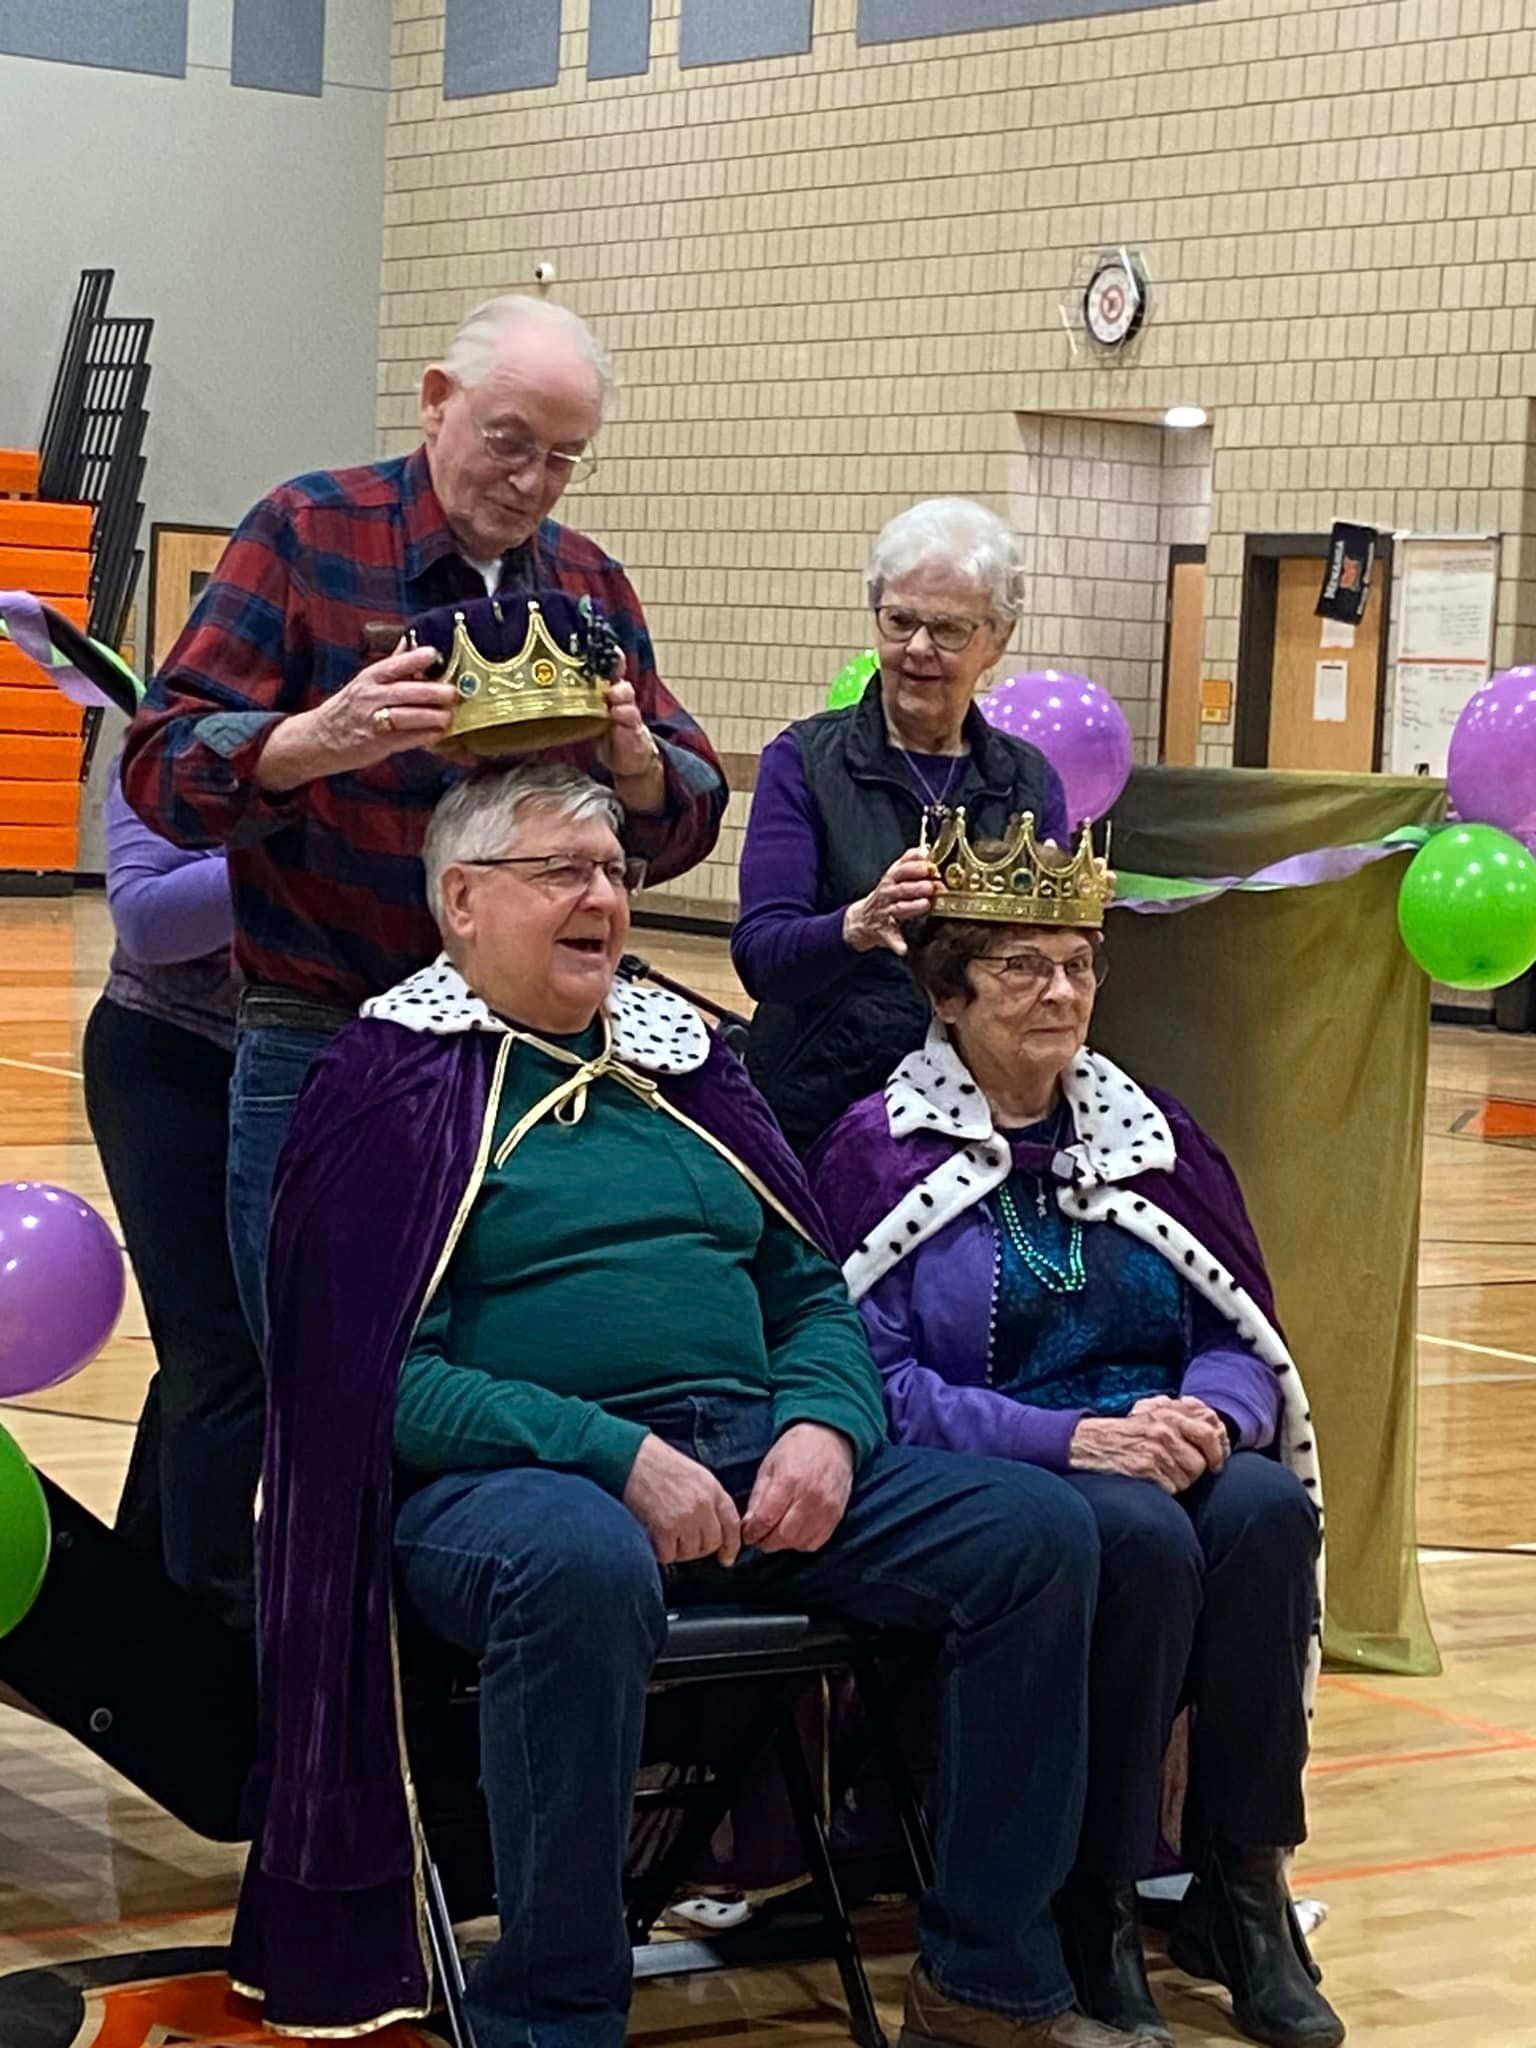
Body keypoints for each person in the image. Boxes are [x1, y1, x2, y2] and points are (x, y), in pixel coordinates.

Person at [227, 762, 1162, 2048]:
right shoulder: (384, 1083)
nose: (602, 895)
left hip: (754, 1441)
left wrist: (827, 1424)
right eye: (562, 871)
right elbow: (367, 1379)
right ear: (460, 901)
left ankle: (988, 1976)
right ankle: (552, 2012)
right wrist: (615, 1454)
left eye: (614, 872)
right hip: (510, 1486)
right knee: (580, 1565)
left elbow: (812, 1291)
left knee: (1040, 1537)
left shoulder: (692, 1064)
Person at [810, 817, 1343, 2048]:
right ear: (949, 992)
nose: (1062, 989)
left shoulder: (1151, 1134)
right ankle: (1092, 1897)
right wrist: (1068, 1442)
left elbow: (1238, 1321)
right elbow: (868, 1377)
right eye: (1023, 965)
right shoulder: (877, 1149)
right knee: (1139, 1534)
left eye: (1081, 962)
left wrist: (1214, 1409)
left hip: (1161, 1440)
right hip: (1013, 1468)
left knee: (1266, 1513)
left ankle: (1241, 1886)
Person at [120, 293, 726, 1347]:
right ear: (437, 402)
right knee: (322, 1378)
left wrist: (635, 765)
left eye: (565, 458)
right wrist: (317, 738)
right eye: (510, 443)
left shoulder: (590, 584)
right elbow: (160, 763)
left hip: (525, 1057)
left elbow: (687, 815)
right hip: (322, 1034)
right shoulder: (308, 531)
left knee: (499, 1369)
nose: (532, 482)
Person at [733, 498, 1069, 1156]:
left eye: (947, 630)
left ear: (997, 639)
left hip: (985, 1116)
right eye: (900, 621)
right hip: (822, 1112)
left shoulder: (1029, 781)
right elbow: (761, 959)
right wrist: (853, 926)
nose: (917, 648)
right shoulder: (803, 761)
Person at [80, 762, 260, 1634]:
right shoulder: (169, 744)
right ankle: (210, 1625)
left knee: (230, 1354)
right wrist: (295, 837)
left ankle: (137, 1594)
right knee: (220, 1356)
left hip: (299, 1067)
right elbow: (149, 921)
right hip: (167, 1059)